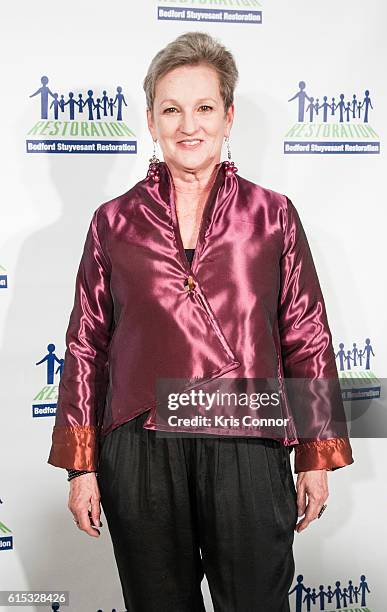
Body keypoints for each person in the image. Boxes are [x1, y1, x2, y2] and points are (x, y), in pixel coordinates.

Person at [47, 31, 354, 612]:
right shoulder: (112, 222)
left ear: (229, 116)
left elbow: (306, 336)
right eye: (172, 109)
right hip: (140, 445)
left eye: (205, 108)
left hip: (248, 438)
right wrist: (79, 465)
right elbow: (87, 343)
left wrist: (316, 453)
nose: (189, 125)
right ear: (151, 119)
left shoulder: (272, 214)